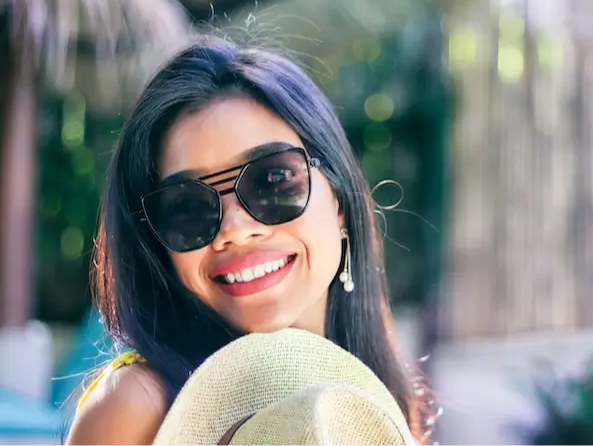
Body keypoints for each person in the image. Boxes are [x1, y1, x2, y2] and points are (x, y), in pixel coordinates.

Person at [65, 40, 431, 445]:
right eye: (187, 206)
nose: (236, 229)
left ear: (339, 200)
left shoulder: (378, 410)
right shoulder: (137, 408)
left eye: (273, 180)